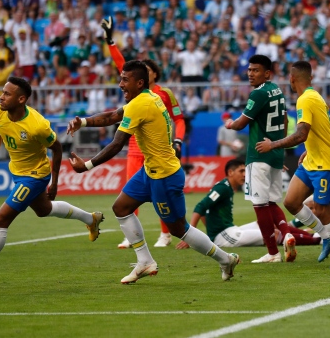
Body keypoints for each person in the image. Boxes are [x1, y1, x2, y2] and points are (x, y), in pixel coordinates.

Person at [66, 60, 239, 283]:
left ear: (139, 83)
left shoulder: (142, 104)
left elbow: (118, 143)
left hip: (164, 176)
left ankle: (225, 259)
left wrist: (87, 165)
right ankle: (145, 261)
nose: (120, 84)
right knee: (121, 207)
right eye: (120, 78)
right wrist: (83, 121)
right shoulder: (148, 97)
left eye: (125, 80)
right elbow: (112, 116)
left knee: (179, 229)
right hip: (150, 170)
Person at [0, 77, 104, 289]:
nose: (1, 97)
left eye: (7, 94)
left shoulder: (38, 125)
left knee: (0, 220)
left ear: (21, 99)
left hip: (35, 175)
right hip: (17, 172)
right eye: (2, 92)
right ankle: (91, 219)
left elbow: (57, 148)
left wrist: (56, 181)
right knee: (44, 210)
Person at [255, 60, 330, 269]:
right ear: (310, 78)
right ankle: (325, 236)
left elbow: (301, 134)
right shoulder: (314, 96)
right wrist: (309, 150)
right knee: (291, 202)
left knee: (323, 212)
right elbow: (327, 127)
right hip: (312, 160)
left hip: (327, 163)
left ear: (292, 79)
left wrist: (273, 144)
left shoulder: (305, 100)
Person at [101, 16, 187, 249]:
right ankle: (132, 235)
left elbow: (179, 119)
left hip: (158, 149)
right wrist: (110, 41)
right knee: (131, 192)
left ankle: (165, 234)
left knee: (161, 195)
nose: (143, 73)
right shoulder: (135, 93)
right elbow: (121, 64)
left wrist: (178, 140)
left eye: (147, 71)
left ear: (154, 75)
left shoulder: (164, 94)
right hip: (134, 149)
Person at [225, 54, 296, 264]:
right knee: (272, 201)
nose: (250, 74)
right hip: (274, 150)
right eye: (249, 70)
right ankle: (288, 233)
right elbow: (284, 119)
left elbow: (240, 124)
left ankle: (273, 253)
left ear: (267, 73)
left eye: (255, 70)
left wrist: (229, 123)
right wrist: (278, 146)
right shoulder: (277, 90)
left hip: (258, 152)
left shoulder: (258, 94)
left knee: (259, 204)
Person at [176, 159, 321, 251]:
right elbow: (200, 207)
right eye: (241, 171)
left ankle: (313, 235)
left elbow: (206, 211)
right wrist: (192, 238)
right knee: (272, 234)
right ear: (230, 172)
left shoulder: (226, 187)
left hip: (229, 230)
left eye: (245, 171)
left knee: (266, 224)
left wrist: (211, 229)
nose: (245, 175)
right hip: (224, 236)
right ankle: (316, 240)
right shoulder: (222, 187)